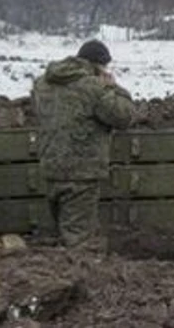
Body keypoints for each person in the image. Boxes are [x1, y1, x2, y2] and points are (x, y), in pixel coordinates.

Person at [31, 39, 134, 251]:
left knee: (60, 233)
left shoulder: (42, 83)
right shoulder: (93, 87)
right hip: (81, 174)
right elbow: (124, 116)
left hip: (50, 167)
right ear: (98, 65)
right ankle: (74, 279)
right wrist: (114, 87)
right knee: (79, 242)